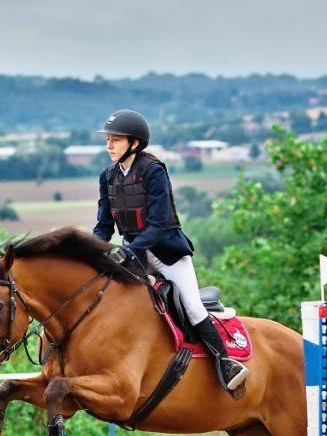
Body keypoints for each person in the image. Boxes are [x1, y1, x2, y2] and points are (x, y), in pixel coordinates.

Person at [92, 109, 248, 394]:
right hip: (135, 255)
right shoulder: (108, 177)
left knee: (192, 307)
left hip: (166, 252)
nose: (109, 146)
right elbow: (103, 226)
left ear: (135, 143)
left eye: (116, 140)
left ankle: (226, 364)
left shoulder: (153, 171)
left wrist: (128, 251)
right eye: (108, 140)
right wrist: (92, 251)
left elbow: (158, 225)